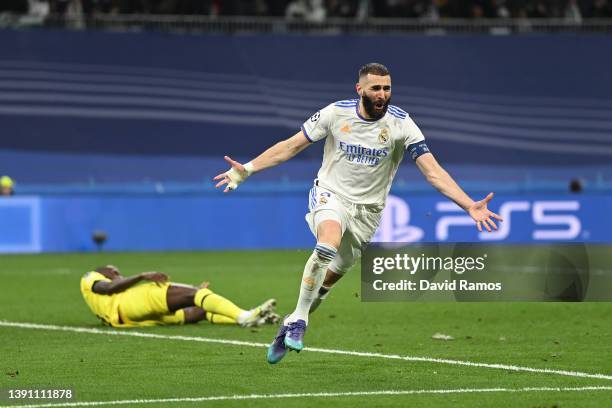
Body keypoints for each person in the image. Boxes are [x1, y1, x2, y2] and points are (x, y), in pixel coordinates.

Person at [213, 62, 503, 364]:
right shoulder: (335, 114)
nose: (382, 94)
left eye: (387, 88)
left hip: (368, 212)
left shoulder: (402, 124)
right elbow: (290, 146)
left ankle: (291, 321)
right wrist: (246, 170)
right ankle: (299, 320)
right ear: (360, 89)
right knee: (327, 243)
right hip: (330, 195)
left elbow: (433, 171)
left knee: (325, 283)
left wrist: (468, 204)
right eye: (376, 88)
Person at [80, 264, 279, 327]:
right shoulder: (90, 278)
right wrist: (142, 276)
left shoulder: (105, 300)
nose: (118, 274)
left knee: (200, 310)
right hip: (127, 305)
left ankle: (257, 320)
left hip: (130, 318)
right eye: (114, 272)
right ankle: (244, 316)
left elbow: (112, 288)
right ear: (103, 271)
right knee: (198, 294)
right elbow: (108, 289)